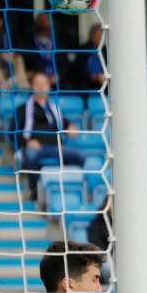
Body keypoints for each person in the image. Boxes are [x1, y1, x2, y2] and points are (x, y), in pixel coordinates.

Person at [17, 72, 87, 201]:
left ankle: (69, 189)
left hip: (56, 147)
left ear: (49, 86)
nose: (40, 87)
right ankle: (35, 190)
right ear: (32, 86)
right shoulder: (23, 109)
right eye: (37, 84)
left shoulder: (54, 108)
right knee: (30, 155)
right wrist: (27, 142)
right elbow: (14, 132)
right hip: (36, 147)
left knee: (81, 155)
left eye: (43, 84)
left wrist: (71, 127)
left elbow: (66, 123)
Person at [66, 24, 106, 94]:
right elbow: (78, 69)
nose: (101, 39)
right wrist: (91, 76)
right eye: (99, 36)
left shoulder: (106, 50)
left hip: (102, 80)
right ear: (93, 37)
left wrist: (103, 76)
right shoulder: (83, 50)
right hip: (87, 81)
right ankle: (85, 105)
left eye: (102, 36)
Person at [28, 13, 58, 85]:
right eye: (41, 20)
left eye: (46, 20)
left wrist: (59, 75)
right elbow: (29, 62)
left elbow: (63, 61)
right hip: (37, 78)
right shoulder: (30, 42)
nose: (44, 22)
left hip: (55, 78)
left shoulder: (57, 40)